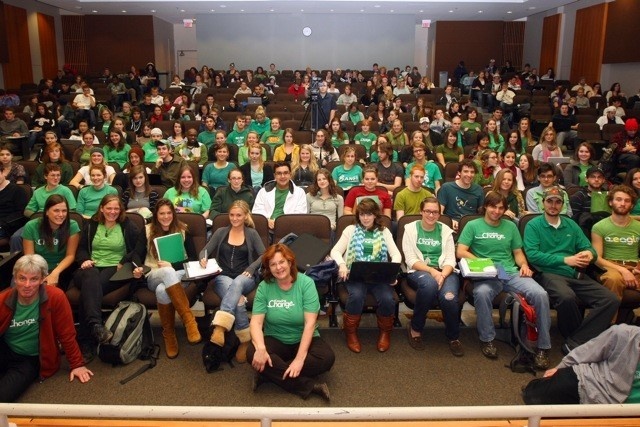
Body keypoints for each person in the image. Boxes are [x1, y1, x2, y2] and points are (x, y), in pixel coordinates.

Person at [456, 191, 551, 368]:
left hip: (509, 271)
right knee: (482, 292)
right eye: (493, 206)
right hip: (487, 272)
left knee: (540, 294)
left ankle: (542, 347)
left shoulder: (510, 227)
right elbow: (461, 251)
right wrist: (484, 263)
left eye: (501, 208)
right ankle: (487, 339)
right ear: (486, 206)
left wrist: (523, 265)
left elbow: (517, 253)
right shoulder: (473, 225)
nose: (497, 211)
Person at [523, 186, 619, 354]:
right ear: (543, 203)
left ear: (563, 204)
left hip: (575, 273)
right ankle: (578, 342)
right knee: (566, 297)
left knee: (610, 299)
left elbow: (590, 249)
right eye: (549, 201)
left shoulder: (571, 225)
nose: (553, 205)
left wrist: (589, 254)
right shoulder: (533, 225)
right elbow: (533, 255)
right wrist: (565, 259)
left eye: (558, 202)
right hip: (549, 273)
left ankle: (576, 340)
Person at [0, 254, 93, 402]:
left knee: (3, 399)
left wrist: (77, 364)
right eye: (22, 278)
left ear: (43, 278)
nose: (27, 285)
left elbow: (67, 334)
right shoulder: (3, 299)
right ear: (15, 278)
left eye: (34, 279)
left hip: (29, 359)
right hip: (6, 350)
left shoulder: (55, 297)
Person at [247, 243, 335, 401]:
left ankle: (268, 375)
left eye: (281, 262)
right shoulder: (264, 287)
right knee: (252, 353)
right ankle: (310, 386)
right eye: (273, 264)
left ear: (290, 262)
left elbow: (310, 324)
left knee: (327, 358)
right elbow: (256, 323)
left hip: (304, 337)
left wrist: (300, 359)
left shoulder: (306, 283)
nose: (278, 268)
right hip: (275, 337)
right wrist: (260, 348)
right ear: (268, 268)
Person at [73, 195, 146, 358]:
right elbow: (82, 248)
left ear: (120, 210)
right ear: (101, 208)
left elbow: (138, 249)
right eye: (109, 208)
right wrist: (84, 260)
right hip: (89, 267)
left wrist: (124, 260)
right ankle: (96, 326)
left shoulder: (127, 225)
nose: (112, 212)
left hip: (114, 268)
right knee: (90, 277)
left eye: (116, 209)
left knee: (90, 289)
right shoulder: (91, 224)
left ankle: (86, 338)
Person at [331, 198, 401, 353]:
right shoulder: (350, 230)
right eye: (362, 214)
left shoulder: (384, 231)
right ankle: (351, 333)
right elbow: (335, 251)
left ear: (375, 215)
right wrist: (342, 265)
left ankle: (385, 332)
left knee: (388, 299)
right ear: (358, 215)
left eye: (369, 214)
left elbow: (396, 254)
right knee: (356, 296)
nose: (365, 218)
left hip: (378, 275)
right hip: (355, 274)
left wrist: (392, 271)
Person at [199, 200, 265, 362]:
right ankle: (245, 339)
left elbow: (265, 255)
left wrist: (251, 269)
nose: (234, 218)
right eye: (232, 215)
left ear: (245, 216)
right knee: (239, 300)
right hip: (223, 277)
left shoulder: (252, 233)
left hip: (246, 278)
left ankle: (220, 327)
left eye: (238, 215)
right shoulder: (221, 231)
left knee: (238, 283)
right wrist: (203, 259)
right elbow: (204, 251)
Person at [137, 200, 201, 359]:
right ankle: (188, 320)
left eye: (168, 213)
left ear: (173, 214)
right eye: (161, 213)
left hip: (179, 275)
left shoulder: (183, 230)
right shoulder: (147, 231)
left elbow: (192, 259)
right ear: (156, 215)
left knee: (162, 289)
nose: (166, 216)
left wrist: (172, 264)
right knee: (165, 272)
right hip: (153, 275)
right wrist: (137, 268)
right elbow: (137, 256)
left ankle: (169, 334)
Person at [402, 197, 463, 356]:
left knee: (449, 297)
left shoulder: (445, 231)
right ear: (421, 211)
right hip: (419, 271)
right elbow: (410, 260)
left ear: (439, 213)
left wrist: (442, 274)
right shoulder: (410, 229)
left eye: (435, 212)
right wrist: (433, 272)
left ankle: (453, 336)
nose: (431, 215)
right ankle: (415, 328)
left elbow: (450, 259)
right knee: (429, 285)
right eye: (428, 211)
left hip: (445, 272)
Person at [523, 324, 640, 405]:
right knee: (534, 396)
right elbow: (587, 351)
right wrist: (560, 367)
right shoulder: (624, 334)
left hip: (621, 406)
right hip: (591, 384)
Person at [591, 185, 640, 317]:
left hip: (634, 265)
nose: (622, 203)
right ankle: (608, 326)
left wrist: (635, 269)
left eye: (627, 200)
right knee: (613, 279)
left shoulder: (638, 226)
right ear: (610, 202)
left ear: (632, 205)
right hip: (610, 266)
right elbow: (597, 258)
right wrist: (623, 270)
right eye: (618, 199)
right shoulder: (599, 227)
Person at [22, 195, 79, 291]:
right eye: (56, 210)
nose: (61, 214)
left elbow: (70, 256)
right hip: (35, 267)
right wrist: (39, 275)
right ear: (47, 212)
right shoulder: (31, 226)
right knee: (21, 289)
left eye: (64, 211)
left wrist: (55, 273)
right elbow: (29, 257)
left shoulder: (72, 226)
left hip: (61, 269)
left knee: (47, 291)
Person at [252, 161, 307, 230]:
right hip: (266, 227)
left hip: (289, 228)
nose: (282, 176)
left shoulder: (299, 192)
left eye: (285, 173)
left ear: (290, 174)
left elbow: (300, 215)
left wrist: (281, 223)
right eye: (279, 173)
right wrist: (267, 220)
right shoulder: (263, 191)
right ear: (274, 176)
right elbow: (257, 211)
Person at [437, 159, 484, 231]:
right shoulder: (446, 187)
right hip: (452, 225)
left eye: (472, 172)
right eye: (466, 171)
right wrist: (449, 221)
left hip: (472, 226)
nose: (469, 175)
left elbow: (482, 213)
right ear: (459, 173)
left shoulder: (478, 189)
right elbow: (439, 212)